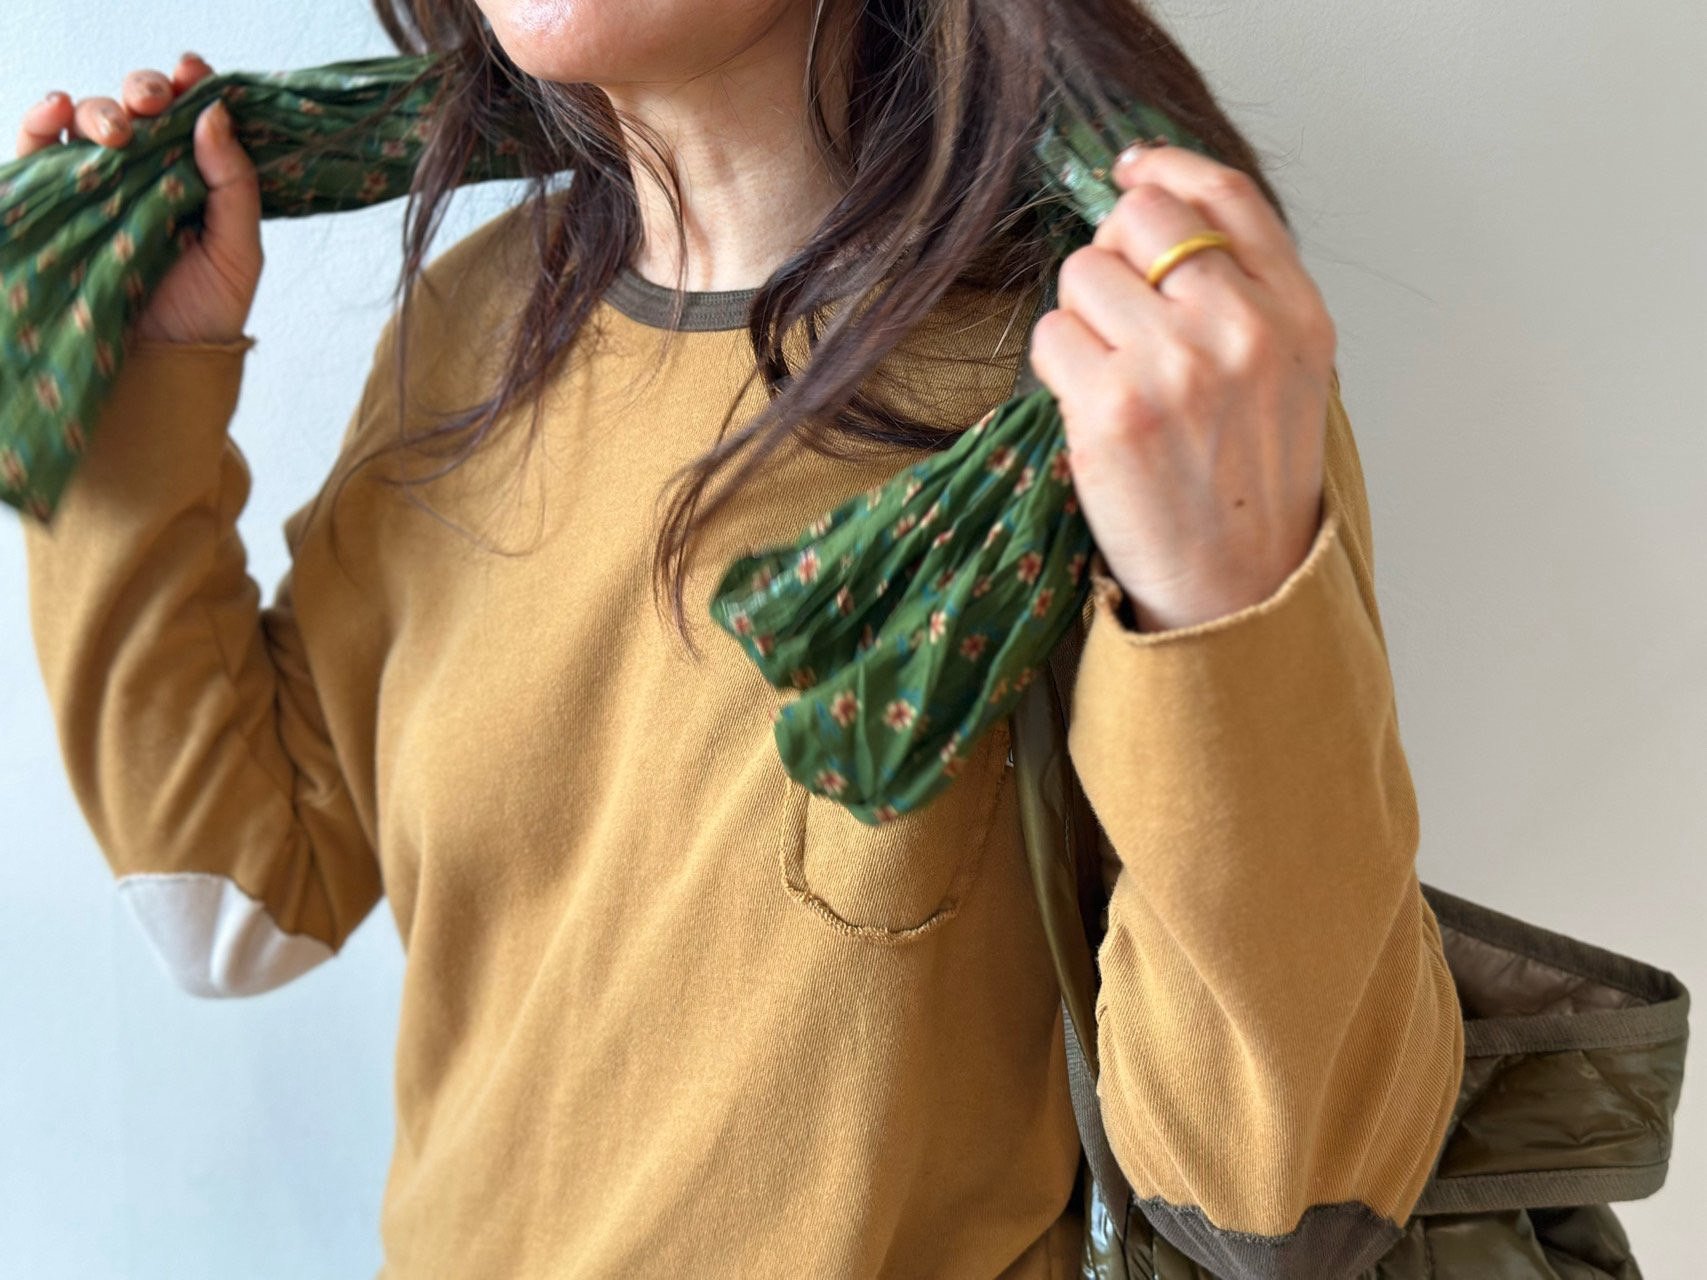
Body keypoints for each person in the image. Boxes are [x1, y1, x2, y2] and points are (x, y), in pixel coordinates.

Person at [15, 2, 1465, 1276]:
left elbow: (1288, 1204)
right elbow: (238, 902)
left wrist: (1224, 598)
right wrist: (133, 383)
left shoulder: (1118, 390)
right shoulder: (474, 328)